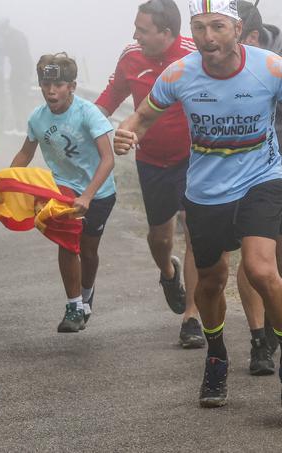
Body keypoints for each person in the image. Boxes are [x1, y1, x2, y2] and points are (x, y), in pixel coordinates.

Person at [114, 0, 282, 408]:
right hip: (207, 191)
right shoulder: (179, 73)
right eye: (200, 27)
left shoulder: (271, 67)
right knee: (211, 280)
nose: (208, 37)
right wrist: (126, 133)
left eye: (218, 27)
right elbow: (141, 117)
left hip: (261, 178)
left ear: (238, 30)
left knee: (261, 268)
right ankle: (217, 355)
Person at [96, 0, 205, 349]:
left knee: (195, 231)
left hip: (194, 157)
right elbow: (107, 102)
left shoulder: (194, 55)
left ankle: (192, 316)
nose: (135, 35)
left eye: (142, 30)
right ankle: (169, 273)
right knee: (159, 239)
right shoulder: (132, 57)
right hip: (152, 161)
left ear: (167, 33)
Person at [11, 54, 116, 332]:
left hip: (99, 191)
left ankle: (86, 293)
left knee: (89, 251)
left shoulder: (87, 113)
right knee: (67, 240)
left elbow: (108, 159)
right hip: (62, 190)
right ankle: (73, 307)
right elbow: (25, 153)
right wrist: (6, 183)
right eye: (46, 84)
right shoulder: (37, 118)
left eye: (57, 84)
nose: (50, 90)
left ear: (72, 86)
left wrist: (88, 197)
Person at [234, 0, 282, 376]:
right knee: (254, 262)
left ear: (249, 36)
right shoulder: (216, 66)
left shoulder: (274, 63)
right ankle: (260, 340)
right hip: (248, 175)